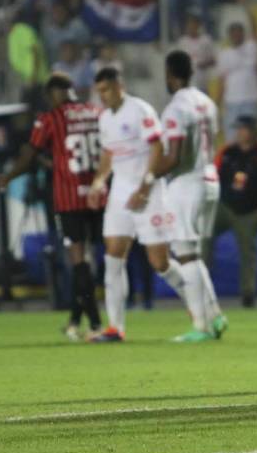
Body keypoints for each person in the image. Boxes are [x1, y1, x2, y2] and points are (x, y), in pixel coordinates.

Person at [86, 67, 211, 342]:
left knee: (160, 262)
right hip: (120, 193)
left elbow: (157, 149)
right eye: (99, 92)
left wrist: (144, 187)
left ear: (120, 86)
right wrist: (98, 182)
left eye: (106, 90)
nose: (103, 96)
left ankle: (199, 310)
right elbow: (109, 153)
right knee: (112, 257)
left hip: (150, 192)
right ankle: (115, 327)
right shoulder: (105, 118)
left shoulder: (140, 110)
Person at [0, 73, 105, 340]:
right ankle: (74, 321)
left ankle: (94, 323)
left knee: (78, 261)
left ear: (52, 94)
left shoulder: (49, 119)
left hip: (69, 200)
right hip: (98, 196)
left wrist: (8, 176)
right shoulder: (96, 112)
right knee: (90, 259)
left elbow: (29, 157)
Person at [150, 50, 228, 340]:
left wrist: (148, 177)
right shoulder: (207, 102)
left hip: (187, 182)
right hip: (209, 178)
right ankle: (215, 316)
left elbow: (173, 157)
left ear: (170, 74)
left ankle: (201, 326)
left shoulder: (176, 108)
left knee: (185, 255)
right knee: (193, 255)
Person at [214, 116, 257, 309]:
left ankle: (248, 294)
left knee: (248, 254)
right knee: (204, 238)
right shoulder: (227, 152)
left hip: (249, 211)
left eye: (244, 129)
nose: (240, 133)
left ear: (252, 131)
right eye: (238, 129)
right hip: (225, 207)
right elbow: (213, 174)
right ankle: (200, 286)